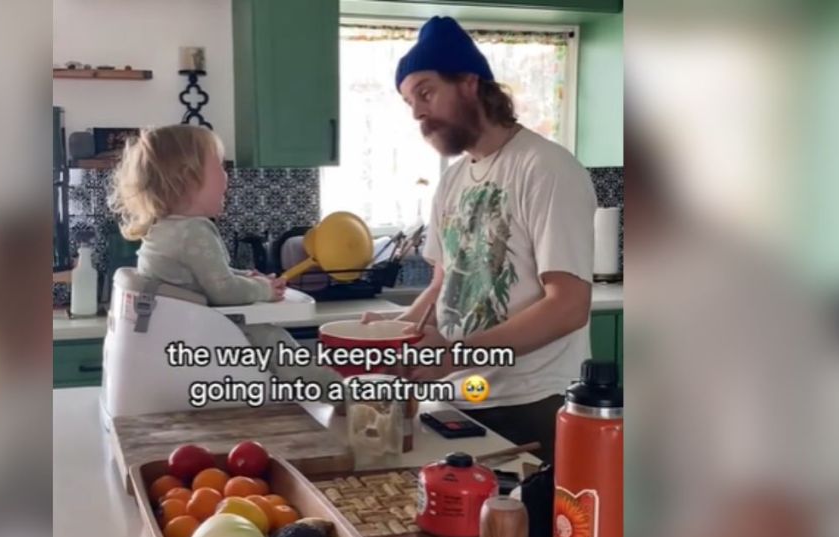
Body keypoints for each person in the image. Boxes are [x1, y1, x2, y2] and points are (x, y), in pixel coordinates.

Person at [366, 17, 597, 463]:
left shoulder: (545, 168)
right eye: (409, 101)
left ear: (470, 83)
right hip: (463, 398)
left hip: (530, 403)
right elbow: (440, 285)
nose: (416, 111)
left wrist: (452, 355)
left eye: (426, 92)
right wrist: (396, 337)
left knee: (520, 530)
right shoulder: (453, 181)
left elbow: (569, 305)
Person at [108, 124, 341, 389]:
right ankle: (342, 393)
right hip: (208, 335)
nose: (226, 175)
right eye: (219, 165)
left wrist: (248, 278)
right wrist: (264, 290)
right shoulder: (194, 230)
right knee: (275, 341)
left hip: (185, 335)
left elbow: (201, 277)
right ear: (188, 178)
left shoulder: (163, 228)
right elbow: (224, 291)